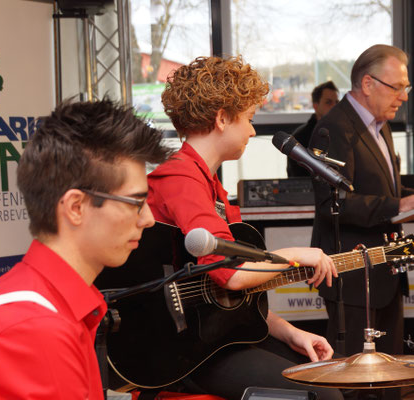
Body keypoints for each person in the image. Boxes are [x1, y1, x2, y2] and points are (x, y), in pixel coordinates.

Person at [147, 55, 343, 400]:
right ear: (222, 118)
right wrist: (296, 254)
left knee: (329, 378)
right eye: (250, 119)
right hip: (183, 352)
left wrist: (288, 332)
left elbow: (233, 300)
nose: (253, 131)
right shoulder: (181, 177)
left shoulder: (208, 184)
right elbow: (231, 275)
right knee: (324, 395)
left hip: (215, 339)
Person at [0, 99, 170, 399]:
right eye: (136, 202)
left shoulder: (51, 309)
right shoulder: (35, 328)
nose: (148, 219)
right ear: (76, 207)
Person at [309, 44, 414, 399]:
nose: (403, 96)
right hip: (352, 277)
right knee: (357, 385)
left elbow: (386, 188)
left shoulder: (380, 124)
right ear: (367, 84)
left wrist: (402, 198)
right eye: (397, 87)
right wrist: (396, 203)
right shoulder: (332, 128)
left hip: (386, 269)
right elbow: (332, 203)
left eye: (407, 88)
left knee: (391, 378)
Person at [287, 80, 339, 177]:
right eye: (328, 102)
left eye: (337, 102)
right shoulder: (300, 138)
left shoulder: (343, 134)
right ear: (316, 106)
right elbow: (298, 179)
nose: (335, 106)